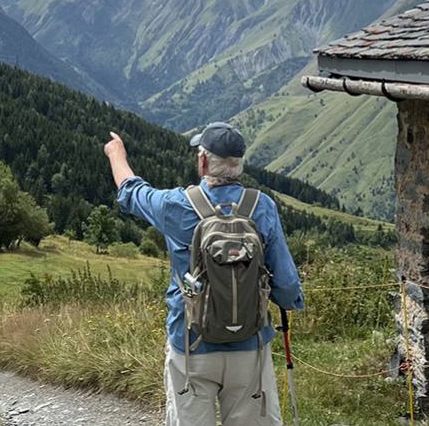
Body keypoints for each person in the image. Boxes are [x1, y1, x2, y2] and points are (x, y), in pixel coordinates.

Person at [104, 121, 304, 426]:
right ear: (239, 164)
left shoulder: (177, 206)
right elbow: (288, 289)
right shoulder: (262, 207)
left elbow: (133, 193)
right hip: (250, 348)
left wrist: (116, 154)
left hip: (191, 345)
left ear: (202, 161)